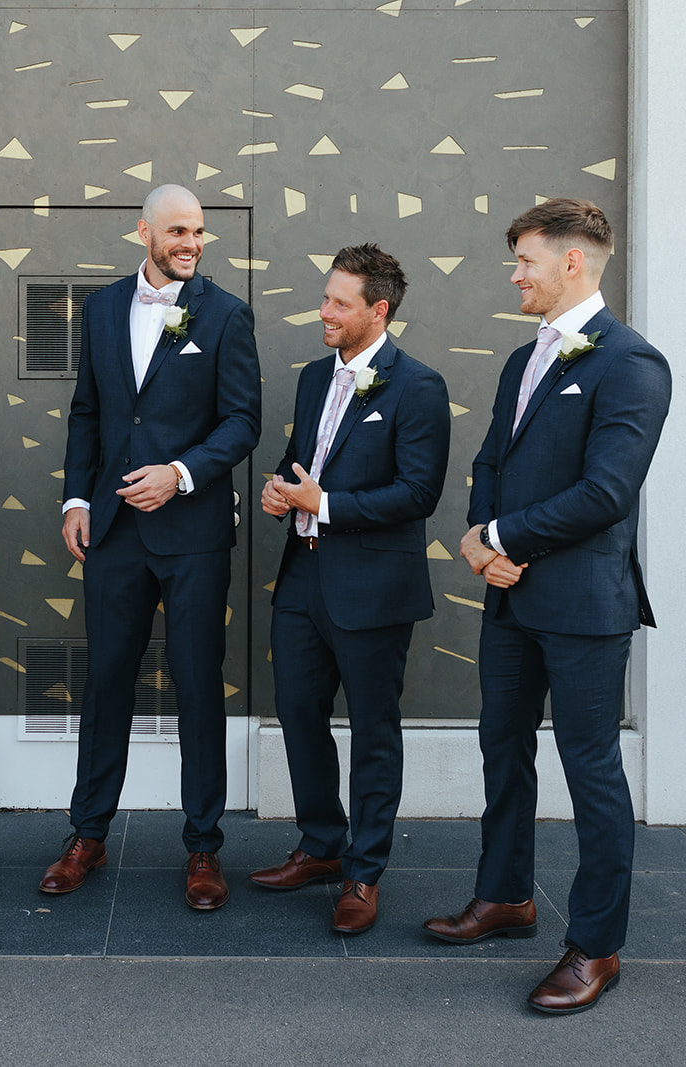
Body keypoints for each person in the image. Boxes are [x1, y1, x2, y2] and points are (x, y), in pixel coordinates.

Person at [426, 198, 671, 1014]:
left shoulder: (632, 362)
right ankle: (505, 897)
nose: (515, 273)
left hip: (586, 606)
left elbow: (606, 492)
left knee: (590, 768)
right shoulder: (519, 359)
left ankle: (596, 944)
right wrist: (480, 536)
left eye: (526, 259)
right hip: (512, 598)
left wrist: (501, 534)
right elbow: (492, 459)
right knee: (503, 747)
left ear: (574, 261)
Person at [41, 185, 261, 910]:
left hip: (194, 533)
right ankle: (88, 833)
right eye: (176, 230)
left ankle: (203, 847)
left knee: (198, 683)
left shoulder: (226, 313)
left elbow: (241, 423)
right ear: (143, 232)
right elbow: (88, 411)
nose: (190, 242)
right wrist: (77, 498)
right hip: (112, 534)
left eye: (198, 231)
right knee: (105, 681)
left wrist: (181, 473)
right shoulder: (103, 308)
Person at [252, 244, 450, 935]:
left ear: (379, 310)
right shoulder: (312, 378)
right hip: (302, 577)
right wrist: (283, 491)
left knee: (373, 730)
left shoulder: (418, 386)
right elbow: (300, 463)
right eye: (325, 296)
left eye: (340, 302)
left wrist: (325, 502)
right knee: (299, 713)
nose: (325, 311)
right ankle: (320, 844)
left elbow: (418, 491)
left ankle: (364, 872)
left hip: (373, 589)